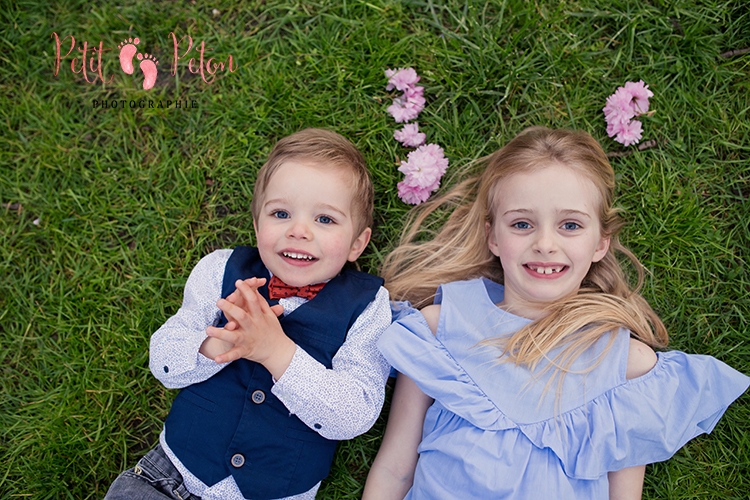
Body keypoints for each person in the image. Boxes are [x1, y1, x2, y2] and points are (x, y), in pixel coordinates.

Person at [363, 127, 749, 499]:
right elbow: (396, 468)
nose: (545, 243)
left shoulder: (626, 367)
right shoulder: (440, 329)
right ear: (493, 236)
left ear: (600, 242)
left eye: (570, 225)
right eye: (522, 224)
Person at [105, 128, 392, 500]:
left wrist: (277, 353)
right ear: (257, 225)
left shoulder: (368, 306)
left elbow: (355, 414)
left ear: (357, 243)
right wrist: (215, 343)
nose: (299, 231)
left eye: (325, 219)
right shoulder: (220, 269)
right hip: (170, 476)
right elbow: (163, 360)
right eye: (281, 213)